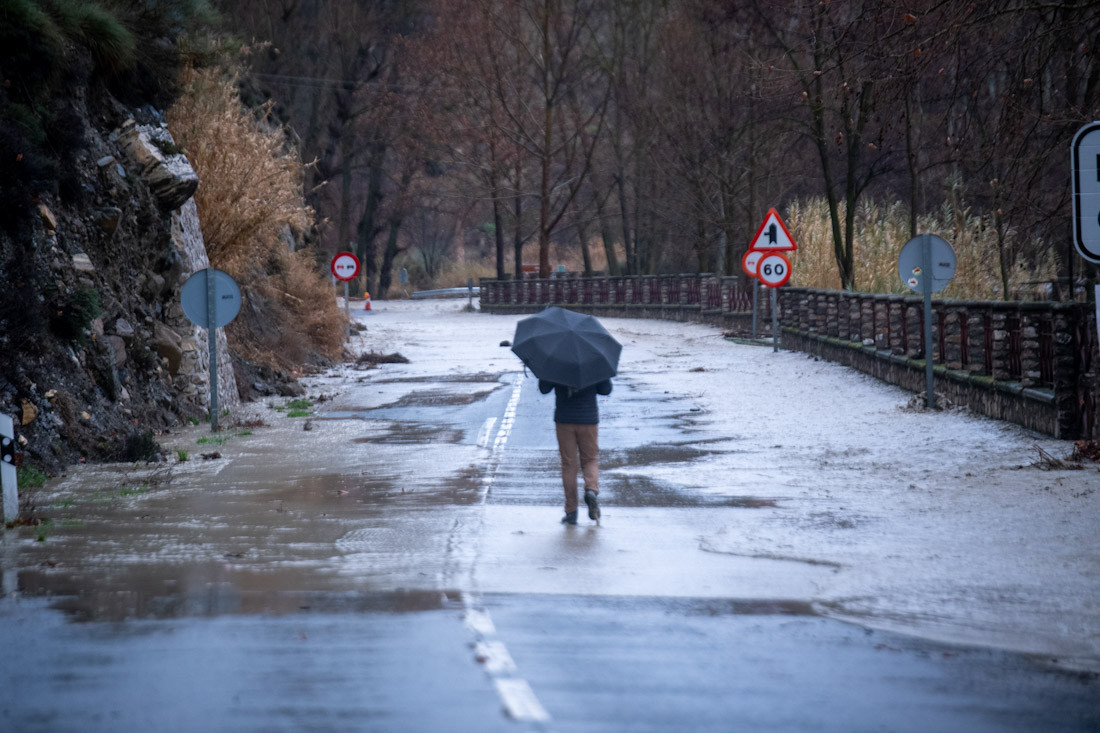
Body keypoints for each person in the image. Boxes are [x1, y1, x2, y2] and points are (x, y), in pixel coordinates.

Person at [538, 377, 613, 525]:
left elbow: (544, 389)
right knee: (590, 459)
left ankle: (571, 512)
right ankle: (591, 489)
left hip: (564, 419)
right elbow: (605, 390)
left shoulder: (557, 362)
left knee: (569, 464)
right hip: (588, 419)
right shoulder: (593, 360)